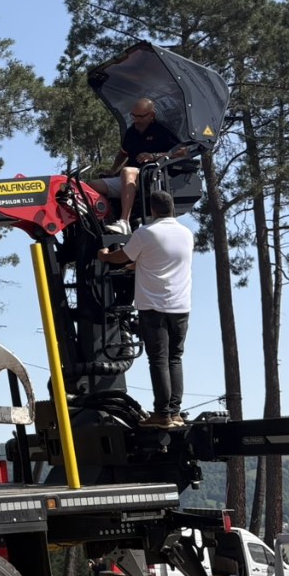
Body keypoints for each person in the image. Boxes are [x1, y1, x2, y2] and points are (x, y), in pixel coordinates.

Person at [99, 189, 194, 428]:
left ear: (152, 210)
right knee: (175, 358)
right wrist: (139, 266)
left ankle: (161, 414)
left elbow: (123, 257)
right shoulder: (186, 234)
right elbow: (160, 260)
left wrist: (105, 256)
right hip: (181, 306)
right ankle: (174, 412)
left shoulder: (145, 233)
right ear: (172, 207)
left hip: (154, 306)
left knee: (158, 359)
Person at [94, 98, 185, 233]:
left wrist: (153, 156)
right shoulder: (131, 132)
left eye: (140, 116)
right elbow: (123, 153)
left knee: (127, 171)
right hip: (129, 179)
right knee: (92, 185)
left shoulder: (162, 130)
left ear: (151, 115)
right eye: (133, 115)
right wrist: (113, 169)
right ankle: (102, 224)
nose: (136, 120)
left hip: (151, 178)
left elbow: (182, 151)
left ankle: (124, 222)